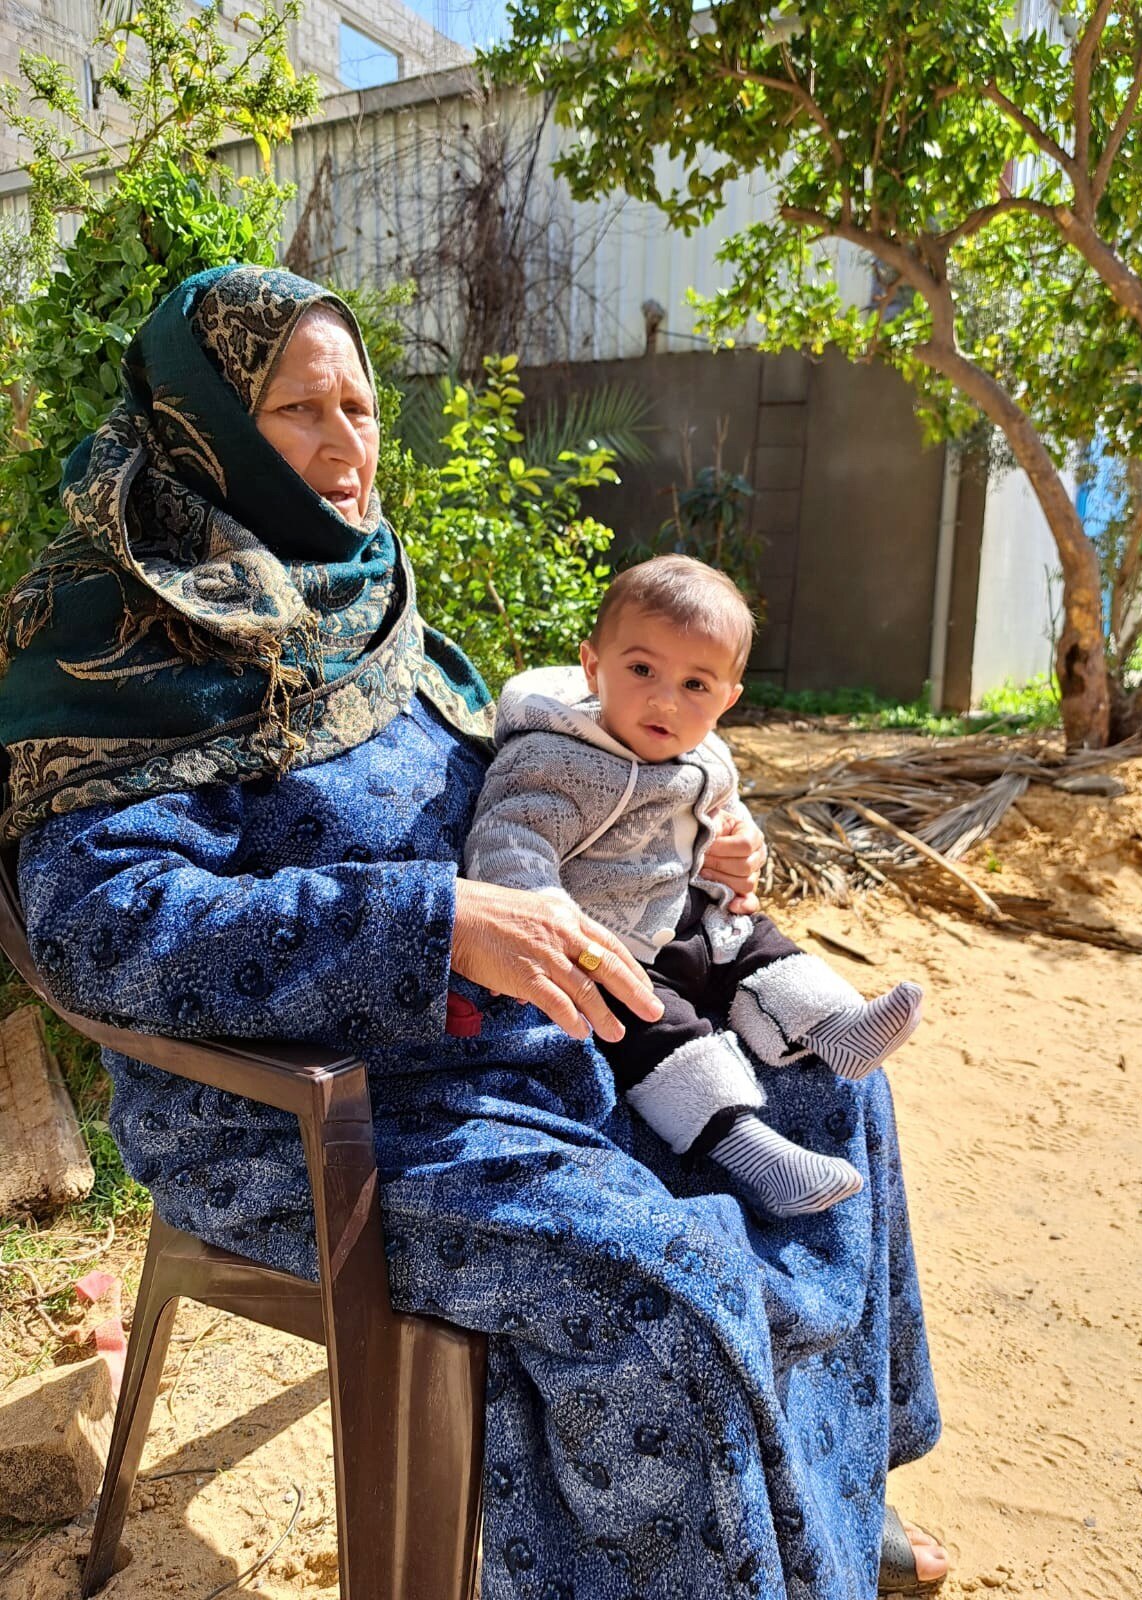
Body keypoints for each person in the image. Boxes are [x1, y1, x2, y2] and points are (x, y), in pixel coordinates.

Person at [0, 265, 949, 1598]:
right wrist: (430, 924)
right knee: (663, 1279)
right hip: (312, 1117)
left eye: (359, 406)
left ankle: (816, 1498)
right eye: (297, 411)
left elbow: (524, 786)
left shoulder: (357, 594)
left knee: (829, 1096)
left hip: (513, 1033)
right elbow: (102, 929)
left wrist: (684, 837)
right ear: (200, 427)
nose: (345, 445)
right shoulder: (115, 645)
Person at [464, 556, 924, 1217]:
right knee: (655, 1030)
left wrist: (740, 843)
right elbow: (510, 839)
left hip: (693, 920)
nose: (665, 700)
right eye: (641, 670)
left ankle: (836, 1024)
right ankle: (759, 1156)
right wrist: (547, 912)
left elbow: (725, 820)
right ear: (593, 666)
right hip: (612, 948)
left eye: (695, 684)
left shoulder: (704, 756)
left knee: (760, 943)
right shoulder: (554, 757)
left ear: (728, 700)